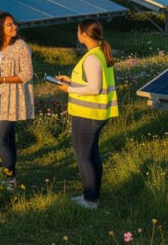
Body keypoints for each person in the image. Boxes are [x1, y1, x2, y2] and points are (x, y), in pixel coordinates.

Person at [56, 19, 119, 210]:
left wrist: (70, 90)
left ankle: (90, 200)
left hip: (88, 114)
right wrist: (71, 82)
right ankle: (92, 196)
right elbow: (91, 83)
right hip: (96, 113)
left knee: (82, 155)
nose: (77, 33)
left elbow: (93, 87)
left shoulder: (92, 58)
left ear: (83, 34)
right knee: (92, 154)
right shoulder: (100, 53)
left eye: (78, 30)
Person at [0, 12, 34, 182]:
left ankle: (9, 178)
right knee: (8, 138)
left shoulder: (21, 46)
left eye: (14, 23)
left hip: (10, 99)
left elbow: (26, 74)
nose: (14, 27)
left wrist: (2, 79)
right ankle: (12, 175)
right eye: (9, 25)